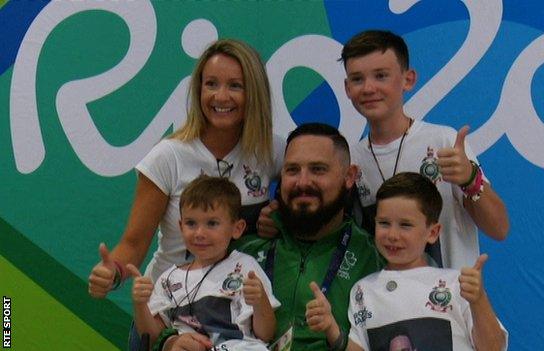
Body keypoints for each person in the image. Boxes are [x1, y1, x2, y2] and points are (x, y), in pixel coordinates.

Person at [88, 38, 284, 296]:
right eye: (211, 84)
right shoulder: (168, 156)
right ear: (198, 89)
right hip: (168, 311)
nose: (221, 96)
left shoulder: (272, 150)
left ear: (254, 93)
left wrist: (282, 217)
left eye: (235, 86)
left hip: (238, 316)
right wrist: (112, 274)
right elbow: (134, 244)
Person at [340, 29, 510, 269]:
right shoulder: (350, 161)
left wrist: (471, 179)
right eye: (357, 79)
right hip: (382, 303)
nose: (368, 88)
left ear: (408, 79)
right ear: (347, 88)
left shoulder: (443, 141)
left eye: (381, 76)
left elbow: (499, 228)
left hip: (451, 302)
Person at [225, 123, 382, 350]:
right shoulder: (243, 252)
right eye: (292, 170)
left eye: (318, 169)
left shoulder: (372, 258)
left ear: (349, 177)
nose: (303, 182)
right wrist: (171, 340)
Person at [311, 172, 508, 350]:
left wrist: (478, 299)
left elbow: (493, 348)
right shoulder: (363, 290)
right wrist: (331, 327)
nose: (393, 235)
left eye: (405, 225)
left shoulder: (455, 283)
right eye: (384, 223)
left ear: (432, 233)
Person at [127, 175, 280, 350]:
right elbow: (152, 338)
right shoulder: (167, 279)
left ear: (237, 228)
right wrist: (139, 304)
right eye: (191, 223)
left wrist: (260, 302)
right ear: (181, 226)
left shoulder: (246, 267)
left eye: (212, 223)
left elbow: (266, 334)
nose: (199, 233)